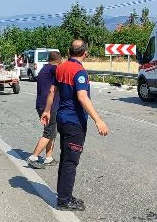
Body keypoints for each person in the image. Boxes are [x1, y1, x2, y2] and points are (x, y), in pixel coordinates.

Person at [41, 40, 110, 211]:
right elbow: (82, 97)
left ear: (69, 51)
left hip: (62, 119)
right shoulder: (79, 71)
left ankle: (64, 195)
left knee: (66, 158)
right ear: (85, 53)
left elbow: (52, 91)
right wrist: (98, 120)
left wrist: (47, 110)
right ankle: (64, 201)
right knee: (70, 161)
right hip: (74, 122)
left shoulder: (61, 67)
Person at [28, 51, 63, 169]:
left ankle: (49, 158)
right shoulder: (53, 69)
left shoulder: (44, 69)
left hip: (43, 105)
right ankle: (34, 157)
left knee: (52, 132)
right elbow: (62, 71)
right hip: (48, 106)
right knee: (49, 132)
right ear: (59, 61)